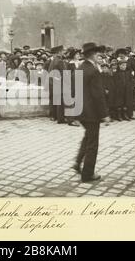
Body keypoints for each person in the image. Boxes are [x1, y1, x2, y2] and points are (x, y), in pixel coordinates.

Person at [74, 42, 111, 182]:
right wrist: (105, 114)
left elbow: (75, 91)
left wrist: (75, 114)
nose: (99, 56)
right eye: (97, 54)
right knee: (92, 144)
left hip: (81, 112)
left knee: (88, 137)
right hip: (92, 113)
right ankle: (88, 174)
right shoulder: (94, 71)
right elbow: (98, 95)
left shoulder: (80, 68)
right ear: (93, 55)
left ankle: (78, 163)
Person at [48, 45, 66, 123]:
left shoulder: (52, 61)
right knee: (60, 102)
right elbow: (63, 73)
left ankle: (54, 116)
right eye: (62, 51)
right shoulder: (60, 61)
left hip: (52, 83)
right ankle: (60, 118)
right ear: (59, 52)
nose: (63, 52)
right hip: (59, 83)